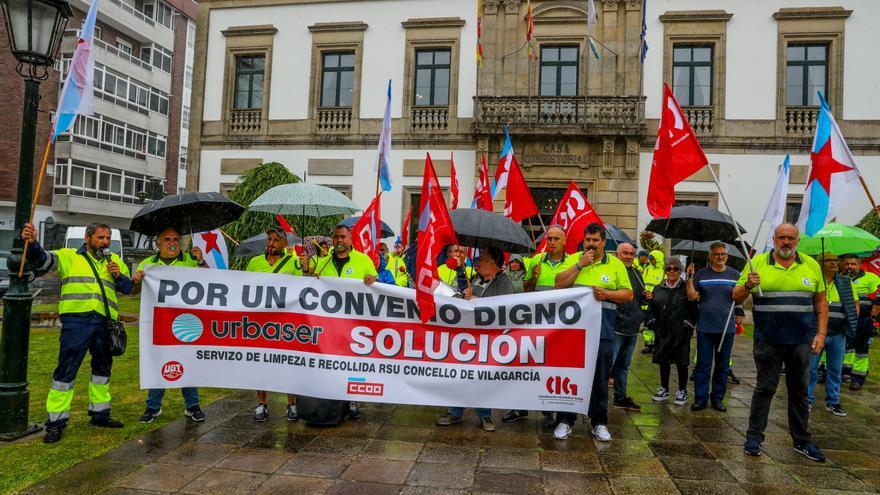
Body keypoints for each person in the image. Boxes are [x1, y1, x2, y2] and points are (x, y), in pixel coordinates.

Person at [22, 222, 133, 444]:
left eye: (107, 238)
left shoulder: (115, 261)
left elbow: (128, 288)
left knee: (102, 370)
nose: (105, 242)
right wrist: (33, 243)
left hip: (104, 322)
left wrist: (119, 275)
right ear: (88, 238)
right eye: (100, 237)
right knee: (66, 371)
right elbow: (43, 261)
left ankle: (100, 414)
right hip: (76, 322)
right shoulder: (69, 256)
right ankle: (56, 422)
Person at [733, 223, 828, 462]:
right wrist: (748, 285)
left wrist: (821, 334)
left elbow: (821, 302)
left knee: (799, 391)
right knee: (765, 389)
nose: (786, 242)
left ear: (797, 241)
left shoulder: (811, 265)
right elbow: (735, 296)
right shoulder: (758, 264)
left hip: (801, 340)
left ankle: (802, 440)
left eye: (790, 238)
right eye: (781, 237)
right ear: (774, 238)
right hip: (768, 339)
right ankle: (754, 438)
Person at [554, 223, 633, 442]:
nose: (591, 244)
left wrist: (608, 293)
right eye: (588, 240)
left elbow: (628, 294)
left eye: (595, 240)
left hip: (603, 331)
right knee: (570, 376)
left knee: (600, 377)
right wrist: (579, 264)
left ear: (603, 242)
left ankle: (599, 422)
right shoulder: (574, 260)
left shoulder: (615, 264)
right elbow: (559, 284)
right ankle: (565, 420)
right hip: (573, 333)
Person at [131, 227, 207, 423]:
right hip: (159, 322)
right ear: (158, 243)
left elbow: (209, 282)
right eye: (167, 239)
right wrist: (137, 281)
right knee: (158, 363)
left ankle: (193, 406)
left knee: (188, 362)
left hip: (186, 322)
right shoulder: (148, 264)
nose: (172, 243)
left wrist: (201, 262)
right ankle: (152, 407)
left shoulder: (190, 260)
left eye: (175, 239)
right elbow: (134, 292)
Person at [502, 226, 574, 427]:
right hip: (535, 324)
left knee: (550, 368)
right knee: (527, 365)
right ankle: (520, 406)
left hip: (559, 326)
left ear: (564, 241)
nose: (551, 242)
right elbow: (525, 288)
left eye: (556, 239)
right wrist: (533, 277)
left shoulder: (573, 262)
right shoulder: (536, 260)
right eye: (549, 238)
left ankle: (550, 410)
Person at [436, 247, 512, 432]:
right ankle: (455, 411)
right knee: (462, 374)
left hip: (490, 339)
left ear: (494, 263)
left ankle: (485, 415)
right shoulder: (475, 279)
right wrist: (465, 296)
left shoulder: (504, 283)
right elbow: (463, 302)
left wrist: (477, 299)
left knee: (483, 377)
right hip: (469, 337)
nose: (477, 262)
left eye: (483, 259)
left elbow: (505, 307)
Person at [305, 224, 377, 418]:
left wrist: (372, 280)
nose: (339, 241)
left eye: (343, 237)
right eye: (336, 237)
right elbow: (311, 285)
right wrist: (312, 277)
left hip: (354, 323)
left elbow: (377, 285)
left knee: (352, 361)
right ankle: (334, 396)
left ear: (350, 239)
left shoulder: (363, 260)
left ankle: (352, 398)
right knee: (332, 360)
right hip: (329, 325)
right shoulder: (324, 261)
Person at [246, 226, 307, 422]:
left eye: (276, 240)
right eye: (270, 239)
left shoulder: (295, 263)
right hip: (261, 323)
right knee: (261, 363)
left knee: (289, 362)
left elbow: (305, 289)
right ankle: (262, 404)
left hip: (286, 323)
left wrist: (305, 269)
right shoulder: (254, 263)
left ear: (285, 244)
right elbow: (242, 286)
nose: (271, 243)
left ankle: (292, 404)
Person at [687, 242, 744, 412]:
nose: (720, 257)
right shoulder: (702, 274)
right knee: (703, 365)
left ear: (727, 256)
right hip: (705, 327)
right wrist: (689, 277)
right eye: (716, 254)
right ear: (710, 256)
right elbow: (691, 297)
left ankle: (718, 398)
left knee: (722, 366)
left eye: (723, 254)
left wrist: (740, 312)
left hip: (726, 328)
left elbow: (739, 298)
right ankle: (700, 398)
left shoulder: (734, 274)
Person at [809, 252, 858, 417]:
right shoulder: (816, 281)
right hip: (817, 332)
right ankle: (807, 400)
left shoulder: (845, 282)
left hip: (838, 333)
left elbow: (854, 304)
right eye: (828, 260)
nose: (834, 263)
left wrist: (850, 319)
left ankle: (833, 401)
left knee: (835, 369)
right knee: (811, 369)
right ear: (820, 263)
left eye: (835, 260)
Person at [647, 257, 696, 406]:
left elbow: (694, 309)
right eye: (669, 269)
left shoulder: (685, 288)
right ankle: (664, 388)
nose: (672, 272)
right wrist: (652, 322)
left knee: (682, 362)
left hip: (680, 331)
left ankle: (682, 390)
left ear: (680, 271)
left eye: (675, 269)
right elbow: (652, 308)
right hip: (663, 330)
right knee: (663, 360)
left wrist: (688, 325)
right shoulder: (658, 288)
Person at [610, 242, 646, 412]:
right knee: (608, 365)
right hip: (616, 326)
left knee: (624, 365)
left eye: (632, 254)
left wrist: (647, 297)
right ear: (618, 254)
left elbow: (639, 299)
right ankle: (597, 397)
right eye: (625, 253)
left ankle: (620, 396)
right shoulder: (613, 271)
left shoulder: (637, 273)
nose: (629, 257)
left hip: (632, 328)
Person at [839, 253, 880, 390]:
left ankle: (858, 377)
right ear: (842, 264)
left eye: (853, 264)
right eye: (847, 264)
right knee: (845, 345)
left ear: (859, 265)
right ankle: (844, 372)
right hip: (843, 317)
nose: (850, 267)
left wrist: (873, 316)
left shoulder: (871, 278)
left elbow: (878, 296)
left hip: (864, 317)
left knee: (861, 348)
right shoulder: (838, 278)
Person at [641, 250, 665, 353]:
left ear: (658, 259)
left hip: (658, 303)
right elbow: (643, 282)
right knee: (647, 325)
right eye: (650, 259)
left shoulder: (664, 270)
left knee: (658, 325)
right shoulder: (647, 269)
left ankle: (657, 345)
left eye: (652, 259)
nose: (651, 261)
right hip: (647, 301)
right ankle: (648, 345)